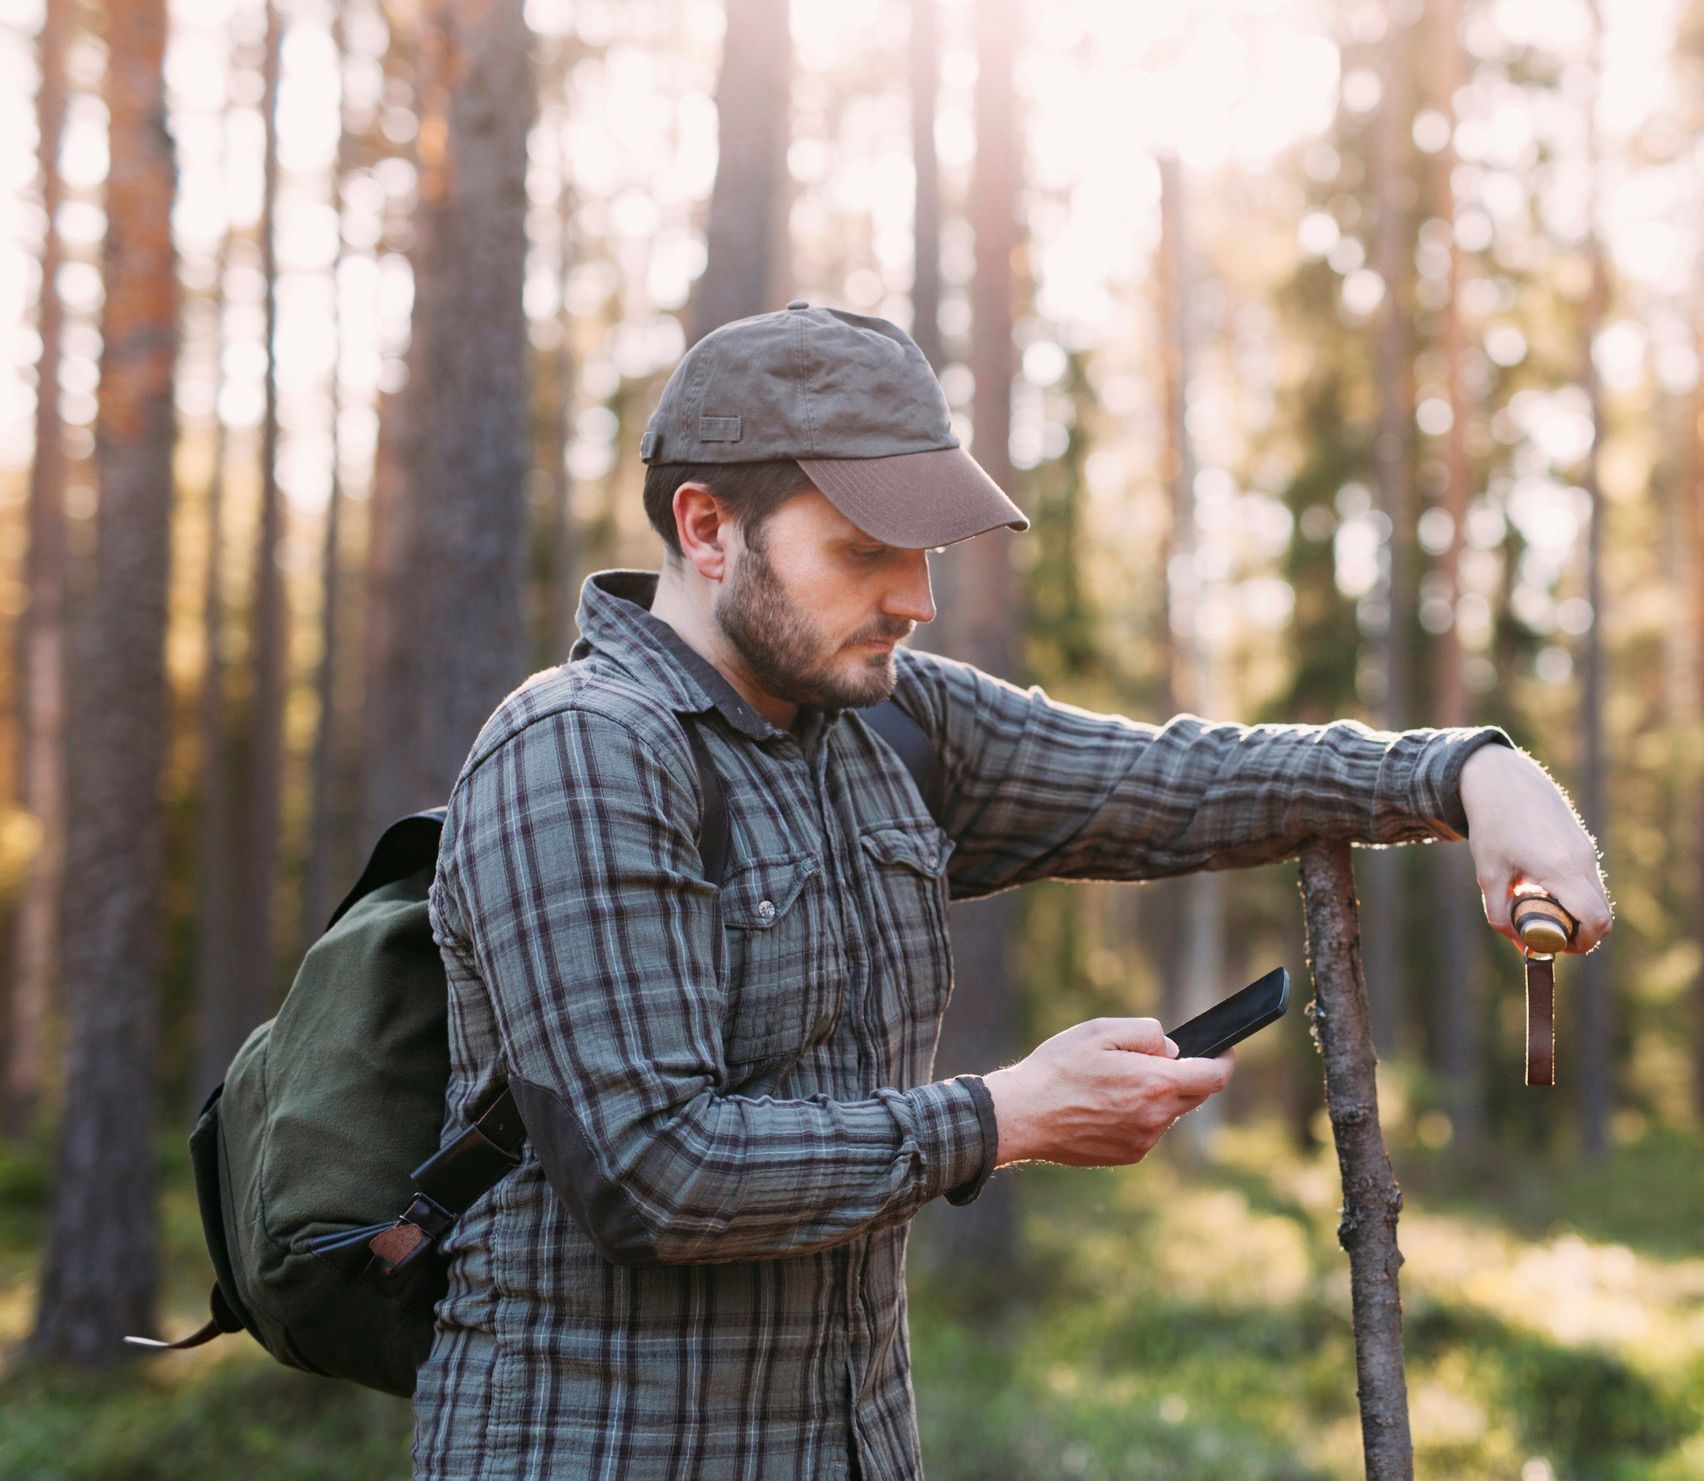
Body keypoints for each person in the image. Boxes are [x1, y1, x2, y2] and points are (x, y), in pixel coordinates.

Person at [413, 301, 1611, 1479]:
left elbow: (1172, 779)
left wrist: (1466, 772)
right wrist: (1005, 1115)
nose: (916, 599)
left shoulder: (892, 722)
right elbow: (652, 1171)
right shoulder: (581, 748)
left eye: (924, 553)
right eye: (865, 550)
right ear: (709, 525)